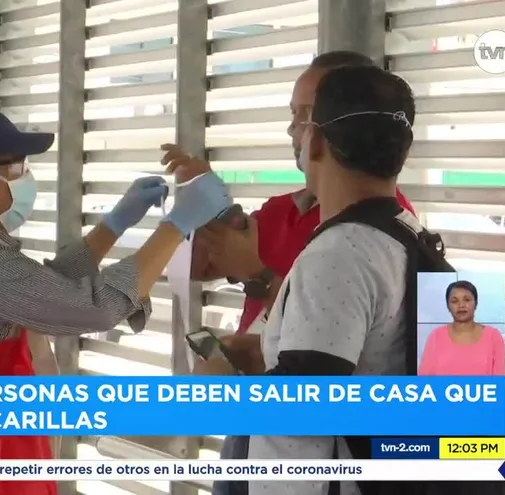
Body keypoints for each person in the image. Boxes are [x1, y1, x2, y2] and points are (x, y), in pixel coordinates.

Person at [0, 105, 233, 495]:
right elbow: (92, 306)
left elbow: (40, 287)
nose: (26, 178)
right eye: (16, 168)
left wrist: (114, 226)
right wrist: (177, 223)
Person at [163, 51, 417, 495]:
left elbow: (302, 416)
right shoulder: (407, 234)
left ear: (316, 140)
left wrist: (227, 392)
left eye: (304, 119)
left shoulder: (339, 250)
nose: (293, 131)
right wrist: (270, 357)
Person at [419, 280, 505, 375]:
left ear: (476, 304)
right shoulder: (436, 336)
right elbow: (424, 380)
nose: (461, 305)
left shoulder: (493, 336)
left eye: (467, 300)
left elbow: (499, 381)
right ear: (448, 306)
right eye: (454, 301)